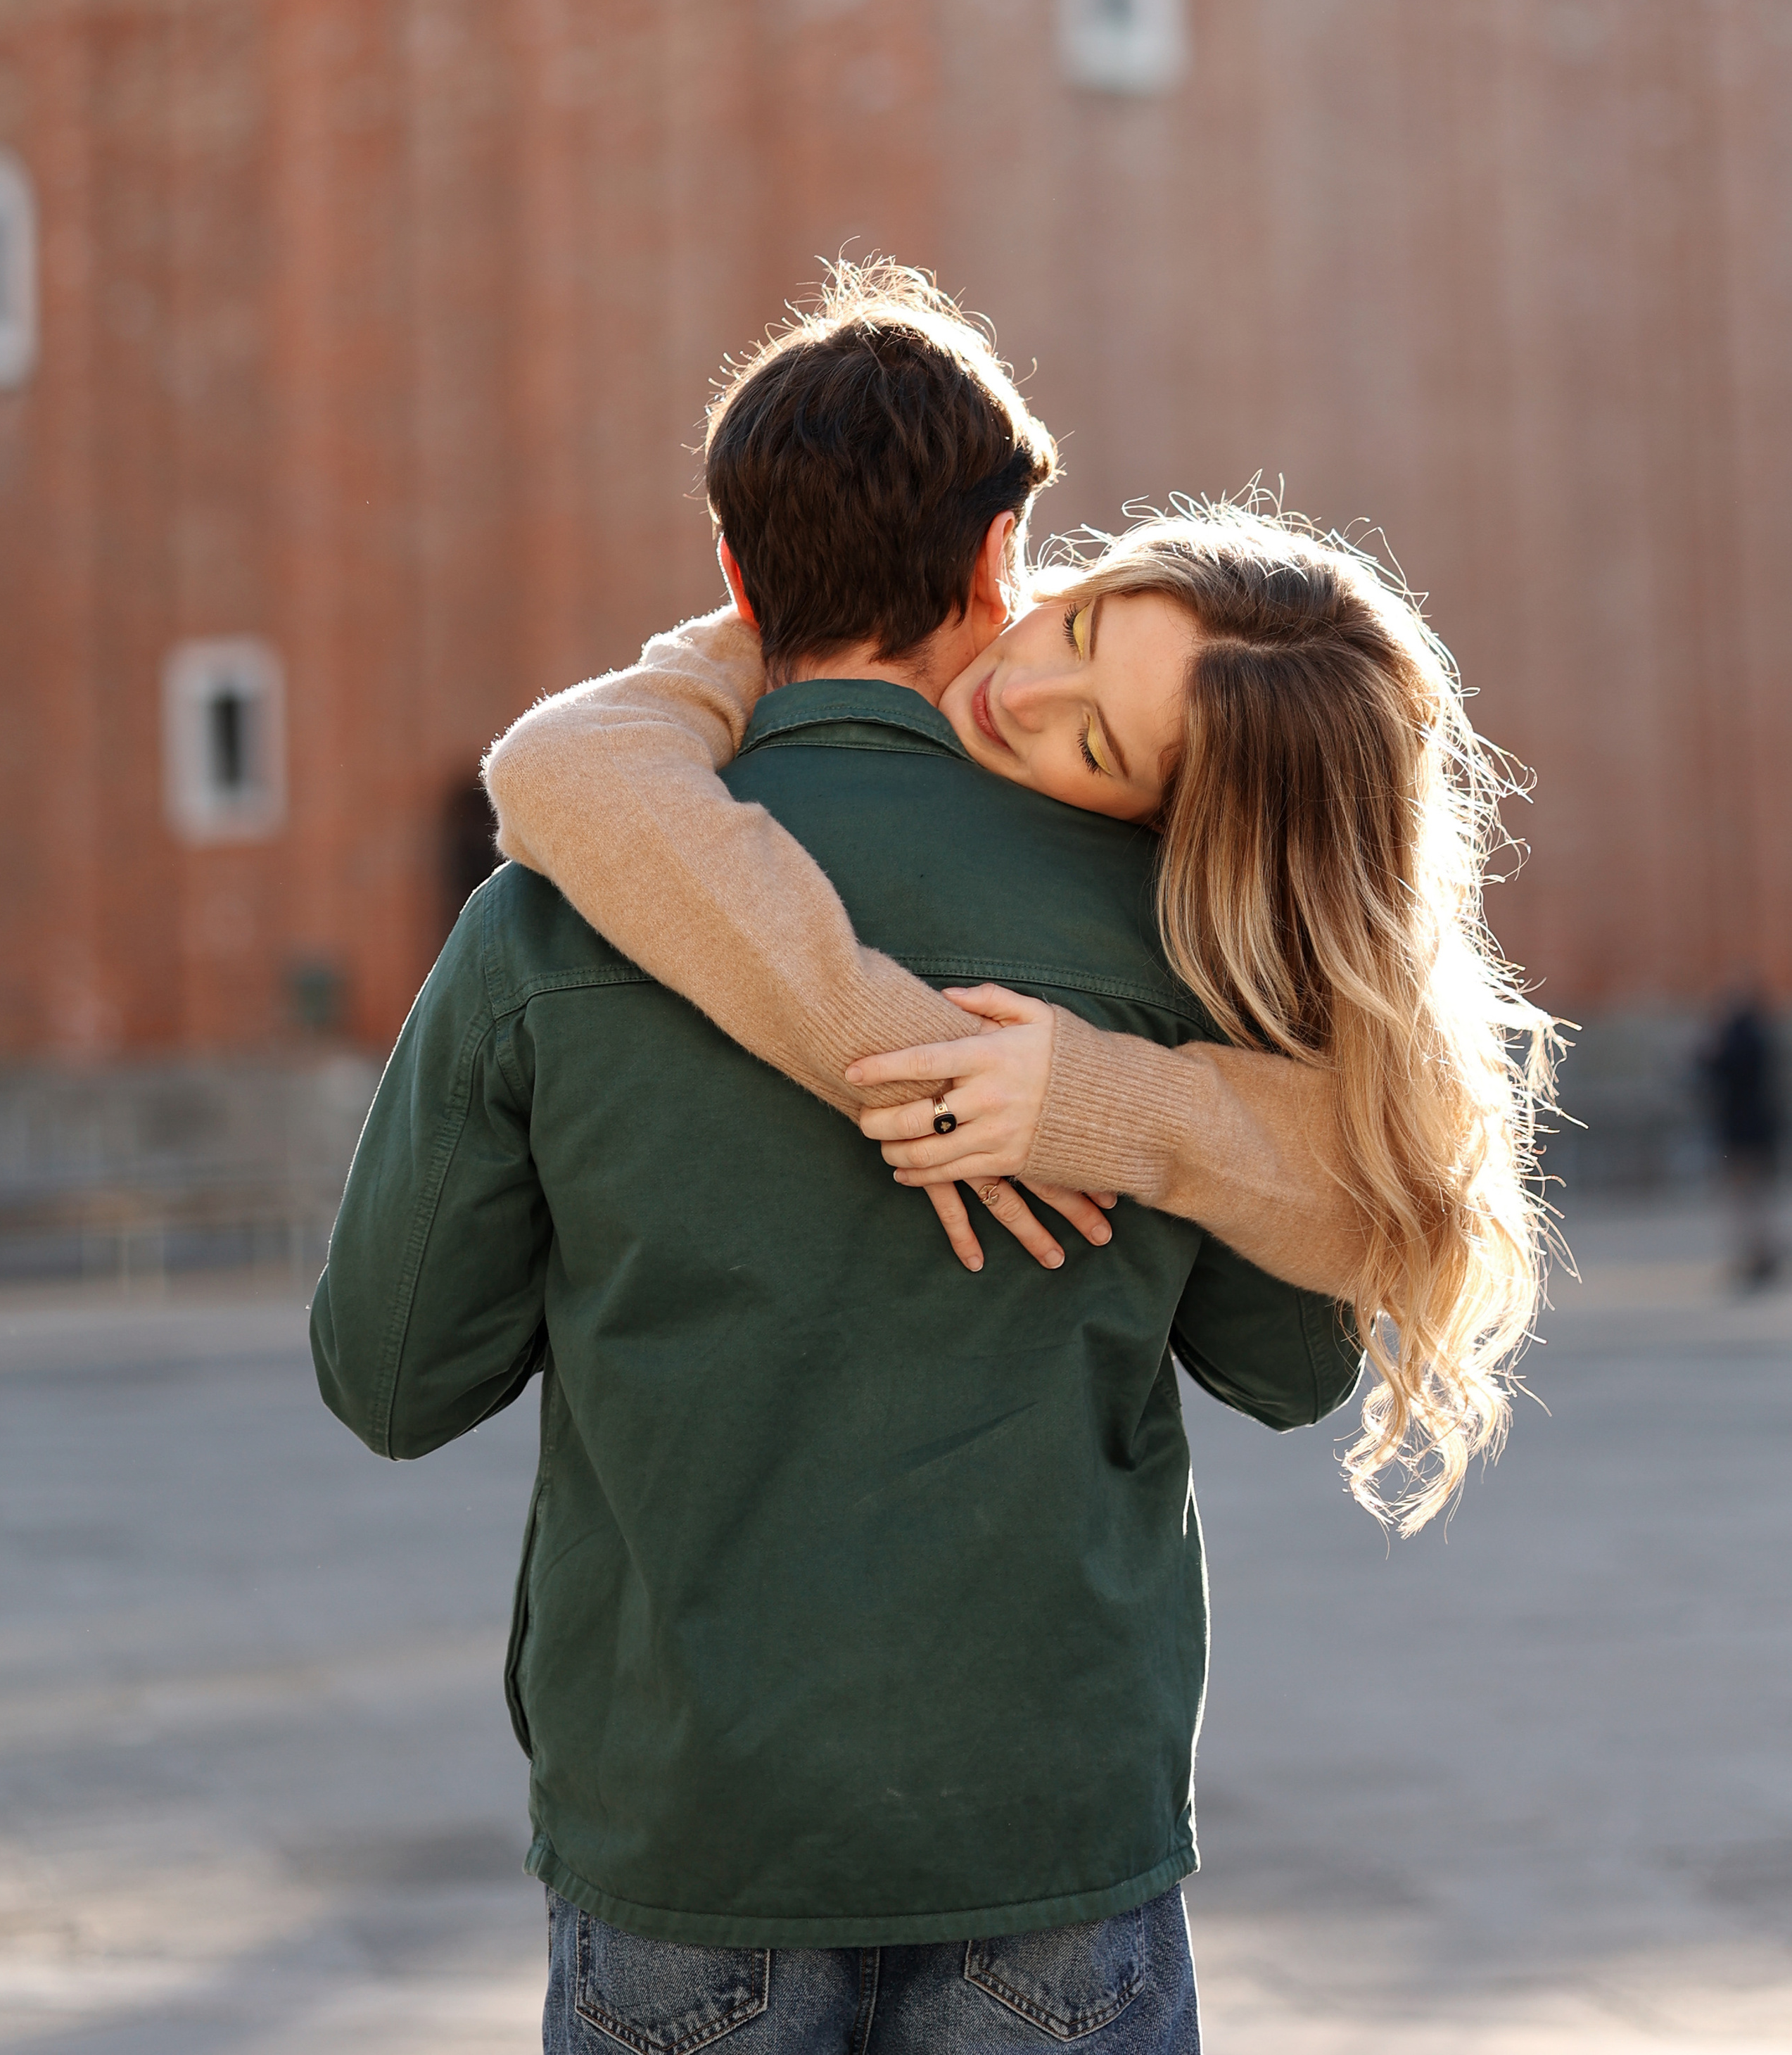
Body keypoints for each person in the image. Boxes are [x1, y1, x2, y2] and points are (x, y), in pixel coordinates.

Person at [313, 267, 1368, 2054]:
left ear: (732, 579)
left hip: (685, 1830)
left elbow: (393, 1375)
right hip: (1048, 1832)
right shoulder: (1174, 915)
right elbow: (1293, 1364)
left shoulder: (545, 918)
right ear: (1004, 556)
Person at [488, 273, 1553, 1538]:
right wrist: (906, 1051)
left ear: (1180, 828)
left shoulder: (1186, 926)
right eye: (1079, 628)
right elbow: (558, 764)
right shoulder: (946, 626)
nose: (1020, 693)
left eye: (1095, 748)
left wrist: (1111, 1103)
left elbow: (1381, 1226)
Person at [1699, 992, 1784, 1290]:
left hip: (1740, 1134)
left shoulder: (1737, 1043)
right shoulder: (1760, 1038)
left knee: (1745, 1198)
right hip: (1758, 1131)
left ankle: (1757, 1255)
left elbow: (1713, 1070)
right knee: (1755, 1197)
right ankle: (1760, 1253)